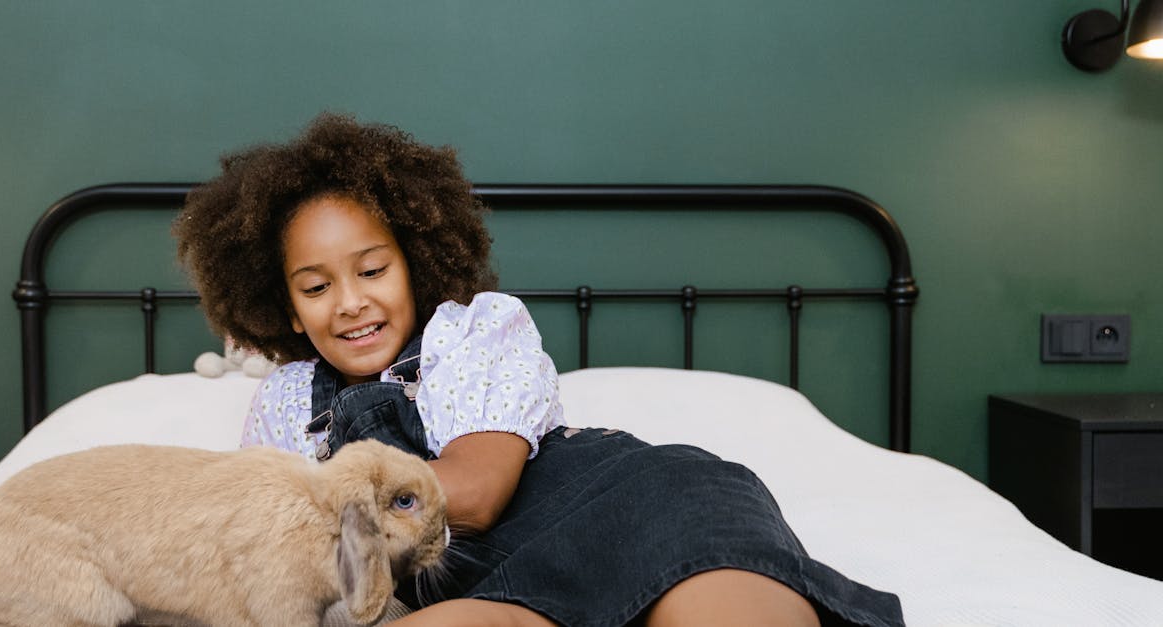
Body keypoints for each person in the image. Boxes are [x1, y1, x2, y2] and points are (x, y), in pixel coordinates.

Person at [174, 113, 904, 627]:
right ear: (288, 309)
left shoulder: (472, 329)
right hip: (478, 589)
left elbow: (482, 492)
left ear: (414, 263)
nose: (351, 302)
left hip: (633, 508)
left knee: (719, 599)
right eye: (316, 286)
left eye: (372, 268)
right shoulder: (287, 401)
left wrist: (307, 508)